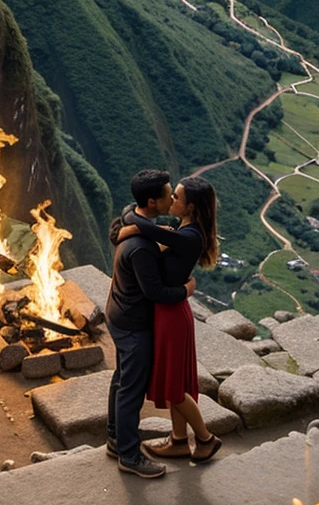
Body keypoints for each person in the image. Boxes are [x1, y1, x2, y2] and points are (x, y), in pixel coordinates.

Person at [116, 174, 222, 462]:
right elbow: (139, 226)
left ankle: (205, 438)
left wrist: (128, 217)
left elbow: (141, 226)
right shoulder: (183, 227)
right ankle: (178, 440)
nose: (171, 200)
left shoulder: (189, 236)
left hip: (171, 314)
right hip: (169, 311)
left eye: (176, 197)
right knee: (175, 382)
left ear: (190, 208)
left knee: (175, 388)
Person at [105, 169, 196, 479]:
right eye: (168, 194)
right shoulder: (142, 246)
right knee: (131, 389)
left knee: (121, 380)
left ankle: (116, 440)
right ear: (152, 201)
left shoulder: (133, 225)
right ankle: (130, 456)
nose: (172, 199)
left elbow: (122, 225)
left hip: (117, 312)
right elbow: (155, 292)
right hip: (133, 323)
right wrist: (186, 290)